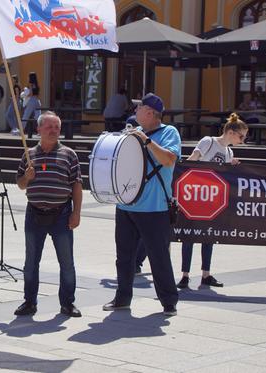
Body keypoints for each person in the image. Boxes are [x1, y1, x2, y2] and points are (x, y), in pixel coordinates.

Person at [102, 93, 181, 317]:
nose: (134, 112)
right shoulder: (131, 133)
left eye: (138, 109)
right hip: (126, 205)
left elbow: (168, 160)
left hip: (154, 208)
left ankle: (169, 302)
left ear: (149, 112)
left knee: (159, 257)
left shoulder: (168, 133)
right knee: (124, 257)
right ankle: (122, 298)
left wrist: (145, 140)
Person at [13, 111, 83, 318]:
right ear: (39, 129)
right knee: (31, 261)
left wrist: (76, 213)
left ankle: (68, 303)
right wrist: (26, 177)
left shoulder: (69, 154)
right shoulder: (29, 154)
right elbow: (20, 184)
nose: (53, 131)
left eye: (56, 127)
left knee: (66, 262)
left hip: (61, 213)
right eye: (49, 127)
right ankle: (29, 302)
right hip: (34, 213)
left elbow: (77, 186)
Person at [177, 113, 248, 289]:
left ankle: (205, 274)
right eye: (241, 136)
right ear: (231, 132)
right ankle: (185, 275)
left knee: (209, 236)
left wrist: (231, 166)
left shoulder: (228, 151)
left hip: (212, 200)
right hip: (194, 197)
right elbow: (191, 162)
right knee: (189, 236)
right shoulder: (208, 141)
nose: (243, 140)